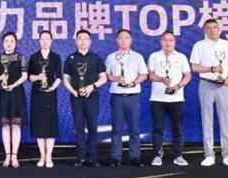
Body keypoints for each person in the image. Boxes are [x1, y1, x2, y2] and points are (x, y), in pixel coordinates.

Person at [189, 18, 228, 168]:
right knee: (207, 120)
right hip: (206, 84)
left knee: (225, 120)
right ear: (205, 30)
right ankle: (209, 155)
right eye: (209, 28)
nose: (212, 30)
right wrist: (210, 69)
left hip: (224, 86)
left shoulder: (226, 45)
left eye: (215, 27)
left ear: (219, 29)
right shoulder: (199, 45)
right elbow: (194, 67)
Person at [63, 29, 108, 167]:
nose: (83, 41)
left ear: (90, 41)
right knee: (79, 127)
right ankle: (81, 157)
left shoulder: (96, 58)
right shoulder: (71, 58)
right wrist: (73, 91)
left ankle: (92, 157)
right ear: (76, 41)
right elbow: (66, 78)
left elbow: (104, 78)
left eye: (85, 38)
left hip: (92, 97)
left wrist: (92, 87)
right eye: (80, 38)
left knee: (93, 127)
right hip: (76, 98)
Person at [105, 29, 148, 167]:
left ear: (131, 40)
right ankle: (115, 157)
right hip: (117, 96)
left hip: (133, 96)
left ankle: (135, 157)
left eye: (126, 38)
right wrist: (116, 78)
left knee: (134, 128)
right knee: (116, 128)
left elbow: (144, 74)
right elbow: (107, 75)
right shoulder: (111, 57)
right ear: (116, 40)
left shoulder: (138, 57)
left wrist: (134, 82)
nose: (123, 40)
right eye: (121, 38)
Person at [148, 31, 191, 167]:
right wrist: (161, 79)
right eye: (165, 40)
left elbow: (187, 76)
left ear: (175, 42)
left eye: (171, 40)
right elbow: (150, 75)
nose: (168, 43)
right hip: (157, 98)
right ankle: (157, 155)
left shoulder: (181, 57)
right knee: (158, 128)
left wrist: (178, 86)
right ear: (161, 42)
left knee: (177, 128)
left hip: (177, 98)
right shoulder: (154, 56)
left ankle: (178, 155)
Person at [28, 30, 63, 168]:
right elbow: (29, 77)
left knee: (50, 125)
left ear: (51, 41)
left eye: (47, 38)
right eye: (42, 39)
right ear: (39, 41)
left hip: (50, 95)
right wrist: (38, 77)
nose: (45, 41)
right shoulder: (34, 57)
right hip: (37, 94)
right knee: (39, 125)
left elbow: (59, 77)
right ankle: (42, 156)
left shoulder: (56, 57)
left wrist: (52, 87)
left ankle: (49, 157)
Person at [0, 32, 27, 168]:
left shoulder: (21, 57)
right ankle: (7, 156)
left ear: (16, 43)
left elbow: (24, 76)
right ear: (2, 43)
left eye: (12, 41)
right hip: (3, 93)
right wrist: (0, 78)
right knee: (5, 125)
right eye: (6, 41)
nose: (9, 43)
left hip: (16, 92)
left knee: (16, 124)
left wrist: (13, 85)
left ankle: (14, 156)